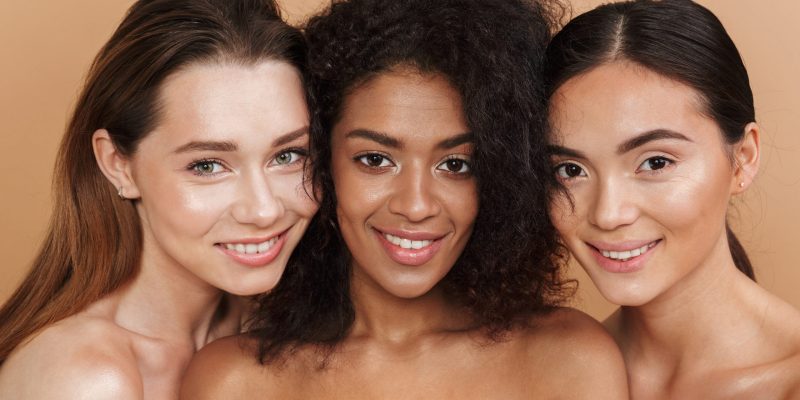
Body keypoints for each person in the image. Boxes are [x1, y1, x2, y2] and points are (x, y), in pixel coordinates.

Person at [181, 0, 629, 398]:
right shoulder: (235, 381)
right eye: (375, 159)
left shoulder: (568, 360)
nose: (416, 206)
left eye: (455, 164)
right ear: (322, 161)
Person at [0, 0, 316, 398]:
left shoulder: (271, 328)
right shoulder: (87, 380)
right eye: (207, 166)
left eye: (287, 156)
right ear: (118, 164)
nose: (264, 209)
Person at [545, 0, 800, 397]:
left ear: (743, 160)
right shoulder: (542, 374)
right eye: (571, 170)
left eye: (656, 162)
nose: (608, 214)